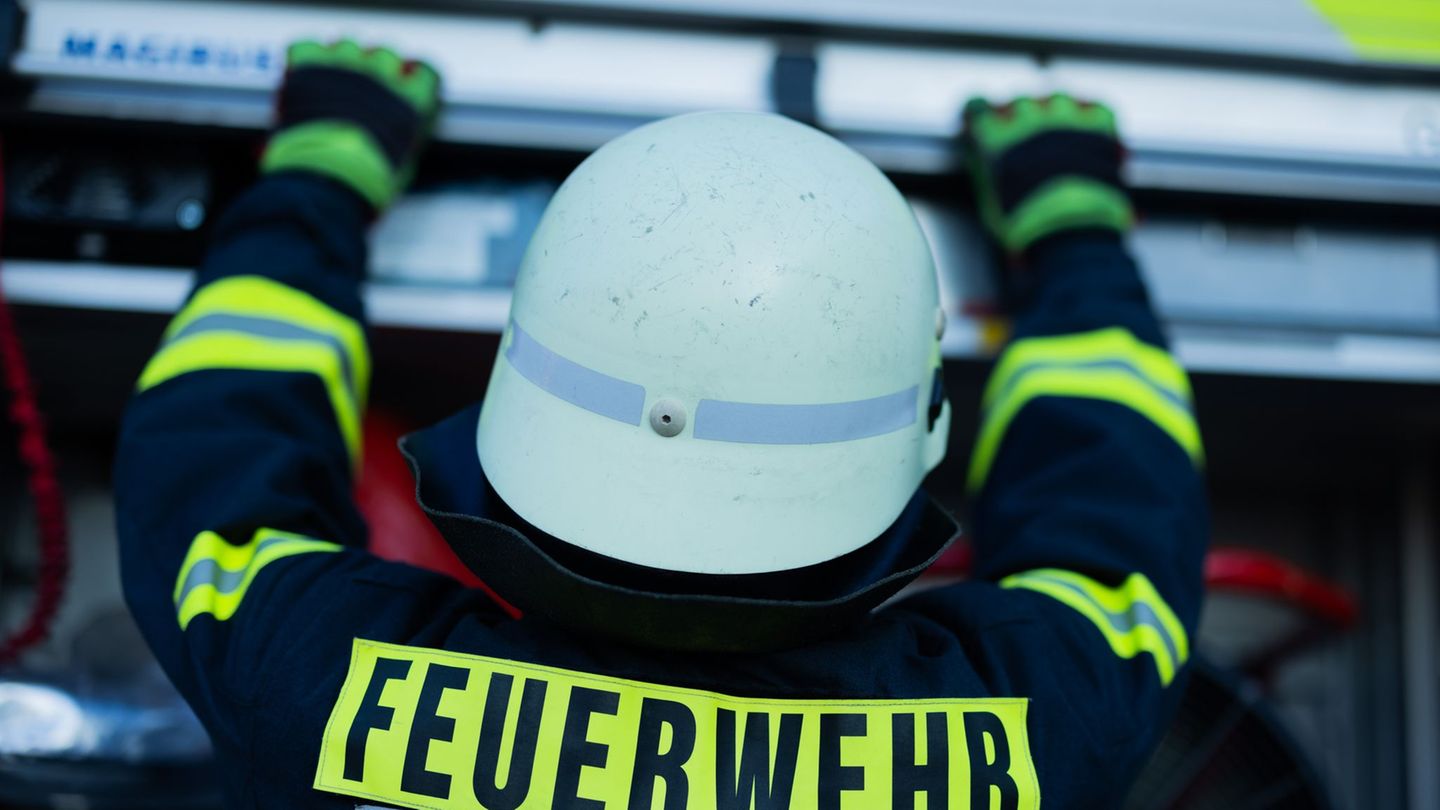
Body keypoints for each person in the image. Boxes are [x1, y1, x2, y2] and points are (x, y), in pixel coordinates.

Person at [116, 39, 1207, 809]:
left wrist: (322, 171)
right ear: (915, 435)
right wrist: (1075, 231)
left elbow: (212, 442)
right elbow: (1116, 518)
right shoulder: (1034, 727)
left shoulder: (311, 677)